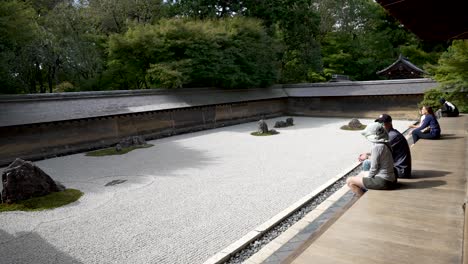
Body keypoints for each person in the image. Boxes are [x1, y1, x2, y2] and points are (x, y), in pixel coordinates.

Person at [347, 122, 397, 196]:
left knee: (350, 181)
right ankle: (363, 192)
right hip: (391, 179)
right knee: (362, 174)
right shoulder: (385, 143)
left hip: (384, 181)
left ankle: (361, 199)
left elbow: (374, 168)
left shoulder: (377, 147)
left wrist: (368, 179)